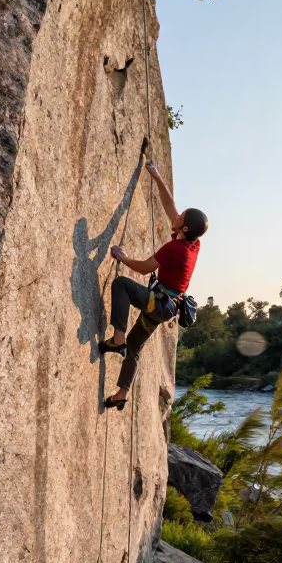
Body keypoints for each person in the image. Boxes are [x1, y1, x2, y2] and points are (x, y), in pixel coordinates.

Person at [99, 161, 207, 410]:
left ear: (185, 227)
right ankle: (120, 394)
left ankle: (117, 339)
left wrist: (122, 257)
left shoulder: (175, 249)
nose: (176, 216)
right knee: (135, 346)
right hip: (166, 307)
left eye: (181, 218)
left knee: (122, 285)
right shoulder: (192, 243)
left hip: (158, 303)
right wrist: (157, 177)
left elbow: (145, 268)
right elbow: (170, 206)